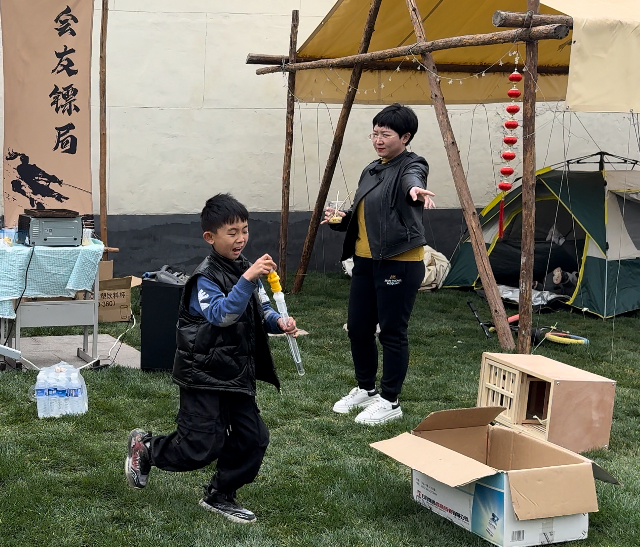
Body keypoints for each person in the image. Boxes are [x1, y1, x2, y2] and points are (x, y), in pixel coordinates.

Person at [125, 194, 300, 523]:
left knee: (253, 439)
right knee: (201, 446)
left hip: (236, 372)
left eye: (244, 230)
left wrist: (278, 321)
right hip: (202, 374)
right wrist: (247, 280)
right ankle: (147, 448)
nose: (240, 238)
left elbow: (259, 308)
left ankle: (220, 494)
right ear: (210, 237)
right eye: (232, 232)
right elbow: (222, 315)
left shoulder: (244, 268)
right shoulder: (204, 278)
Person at [325, 103, 435, 426]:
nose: (378, 140)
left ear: (405, 136)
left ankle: (390, 401)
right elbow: (365, 212)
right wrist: (341, 218)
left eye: (385, 134)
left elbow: (412, 180)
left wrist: (414, 189)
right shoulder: (372, 169)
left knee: (392, 332)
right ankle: (366, 389)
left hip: (399, 262)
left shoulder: (412, 164)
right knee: (358, 328)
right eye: (374, 133)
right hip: (365, 261)